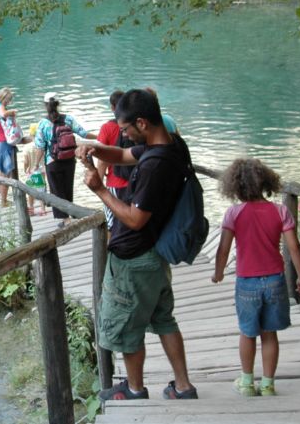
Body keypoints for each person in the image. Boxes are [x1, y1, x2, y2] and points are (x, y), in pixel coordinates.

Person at [77, 89, 197, 401]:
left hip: (135, 258)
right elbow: (120, 156)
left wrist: (100, 191)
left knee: (128, 327)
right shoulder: (171, 146)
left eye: (127, 130)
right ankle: (183, 387)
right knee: (164, 319)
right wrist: (93, 148)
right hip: (157, 255)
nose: (125, 137)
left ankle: (133, 389)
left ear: (142, 123)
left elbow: (134, 218)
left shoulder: (155, 165)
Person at [211, 158, 300, 398]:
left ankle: (246, 383)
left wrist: (219, 272)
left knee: (247, 332)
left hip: (247, 282)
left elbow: (223, 248)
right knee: (269, 334)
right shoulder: (280, 211)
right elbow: (294, 248)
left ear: (235, 187)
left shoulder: (233, 213)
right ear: (266, 182)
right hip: (275, 279)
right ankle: (267, 384)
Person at [32, 92, 95, 228]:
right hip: (69, 160)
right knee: (67, 188)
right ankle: (69, 216)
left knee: (57, 191)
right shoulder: (68, 119)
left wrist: (36, 164)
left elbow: (40, 147)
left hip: (52, 162)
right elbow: (83, 133)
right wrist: (100, 136)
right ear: (58, 104)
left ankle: (66, 220)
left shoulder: (43, 124)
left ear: (45, 105)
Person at [95, 90, 128, 230]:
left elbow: (102, 160)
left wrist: (97, 183)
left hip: (115, 183)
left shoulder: (107, 128)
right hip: (135, 180)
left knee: (112, 224)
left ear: (112, 107)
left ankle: (111, 251)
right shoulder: (134, 126)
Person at [0, 87, 19, 207]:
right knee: (5, 174)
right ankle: (4, 201)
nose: (8, 103)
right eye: (8, 101)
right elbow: (3, 113)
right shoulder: (0, 106)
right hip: (3, 143)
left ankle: (4, 199)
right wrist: (11, 112)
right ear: (4, 98)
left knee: (3, 173)